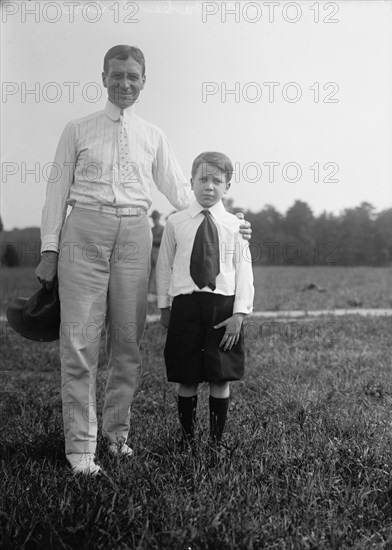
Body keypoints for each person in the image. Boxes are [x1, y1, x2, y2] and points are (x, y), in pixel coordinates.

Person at [34, 45, 252, 475]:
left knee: (128, 341)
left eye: (133, 76)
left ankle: (116, 437)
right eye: (117, 75)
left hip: (135, 233)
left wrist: (231, 222)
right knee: (80, 340)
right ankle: (81, 449)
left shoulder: (153, 135)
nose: (125, 83)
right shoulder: (77, 130)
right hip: (85, 233)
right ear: (103, 77)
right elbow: (56, 194)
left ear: (144, 81)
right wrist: (49, 249)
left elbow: (183, 194)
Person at [156, 152, 254, 450]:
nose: (209, 187)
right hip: (185, 306)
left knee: (218, 375)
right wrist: (164, 306)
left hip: (222, 308)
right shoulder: (176, 222)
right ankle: (186, 439)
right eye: (203, 179)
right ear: (191, 182)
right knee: (186, 376)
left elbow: (244, 270)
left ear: (227, 186)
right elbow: (164, 265)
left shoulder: (235, 225)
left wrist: (239, 314)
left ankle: (215, 441)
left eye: (217, 181)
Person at [148, 210, 164, 298]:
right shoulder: (152, 229)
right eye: (154, 218)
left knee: (159, 271)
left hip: (159, 250)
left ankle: (158, 290)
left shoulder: (163, 229)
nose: (155, 220)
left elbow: (162, 240)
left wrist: (153, 240)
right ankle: (150, 290)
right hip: (152, 250)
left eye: (156, 218)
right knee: (151, 271)